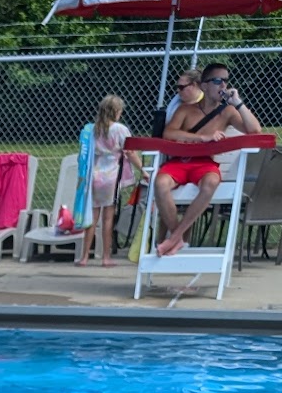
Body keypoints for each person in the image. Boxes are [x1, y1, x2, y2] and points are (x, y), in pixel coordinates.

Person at [154, 64, 260, 258]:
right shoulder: (186, 109)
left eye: (226, 80)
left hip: (204, 164)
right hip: (180, 161)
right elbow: (169, 133)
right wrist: (202, 138)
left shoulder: (227, 111)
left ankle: (174, 238)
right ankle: (179, 239)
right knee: (160, 183)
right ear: (204, 86)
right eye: (218, 81)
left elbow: (254, 131)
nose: (223, 85)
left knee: (211, 182)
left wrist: (238, 103)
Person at [75, 95, 144, 267]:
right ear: (116, 111)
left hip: (94, 175)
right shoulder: (120, 129)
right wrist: (142, 169)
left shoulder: (92, 129)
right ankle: (106, 257)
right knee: (108, 218)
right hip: (111, 176)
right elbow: (130, 152)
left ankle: (84, 257)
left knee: (92, 217)